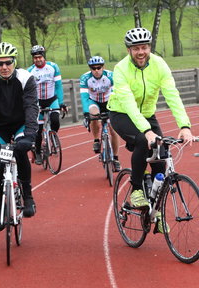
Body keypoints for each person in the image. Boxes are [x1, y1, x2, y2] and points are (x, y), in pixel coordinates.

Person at [107, 27, 193, 231]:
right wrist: (147, 132)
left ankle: (156, 211)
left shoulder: (159, 64)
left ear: (149, 47)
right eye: (136, 48)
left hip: (146, 113)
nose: (140, 52)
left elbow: (172, 94)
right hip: (121, 113)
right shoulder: (121, 69)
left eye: (144, 47)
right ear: (128, 50)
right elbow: (127, 103)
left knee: (161, 155)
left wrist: (185, 125)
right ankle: (136, 189)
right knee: (142, 141)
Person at [0, 42, 38, 231]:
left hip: (20, 124)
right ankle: (0, 207)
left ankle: (27, 196)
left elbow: (31, 107)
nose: (4, 67)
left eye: (8, 63)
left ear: (14, 61)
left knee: (20, 152)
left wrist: (30, 135)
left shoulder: (26, 78)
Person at [27, 45, 68, 164]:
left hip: (52, 99)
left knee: (55, 120)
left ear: (44, 57)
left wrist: (61, 103)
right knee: (38, 130)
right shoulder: (30, 71)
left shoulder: (53, 67)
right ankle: (38, 152)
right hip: (38, 102)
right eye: (35, 58)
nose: (38, 60)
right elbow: (28, 90)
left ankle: (53, 135)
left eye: (40, 57)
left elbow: (59, 86)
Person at [79, 55, 121, 171]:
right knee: (93, 115)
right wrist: (86, 113)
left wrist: (117, 110)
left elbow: (115, 93)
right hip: (94, 101)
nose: (96, 70)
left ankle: (116, 158)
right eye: (93, 68)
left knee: (113, 129)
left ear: (103, 67)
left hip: (109, 100)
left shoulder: (111, 76)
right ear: (90, 69)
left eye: (99, 68)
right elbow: (84, 97)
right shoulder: (85, 78)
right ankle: (97, 140)